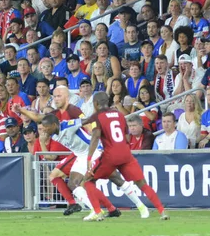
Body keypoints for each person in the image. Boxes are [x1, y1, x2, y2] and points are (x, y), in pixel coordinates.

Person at [40, 113, 149, 220]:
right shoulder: (53, 135)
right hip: (82, 156)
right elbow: (37, 117)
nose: (43, 130)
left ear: (54, 125)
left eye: (46, 127)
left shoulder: (68, 126)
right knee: (73, 184)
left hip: (95, 152)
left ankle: (142, 207)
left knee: (116, 179)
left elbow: (88, 120)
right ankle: (96, 210)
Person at [82, 93, 168, 221]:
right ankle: (162, 211)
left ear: (95, 103)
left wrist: (89, 158)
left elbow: (95, 136)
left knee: (88, 181)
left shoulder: (97, 117)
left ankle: (98, 212)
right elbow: (127, 135)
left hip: (110, 155)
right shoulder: (120, 115)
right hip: (126, 153)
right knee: (142, 183)